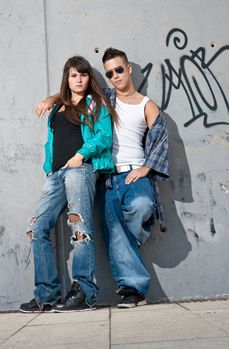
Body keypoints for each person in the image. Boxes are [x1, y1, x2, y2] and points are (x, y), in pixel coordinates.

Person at [34, 48, 169, 309]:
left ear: (129, 69)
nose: (115, 76)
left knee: (142, 208)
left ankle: (110, 275)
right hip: (107, 176)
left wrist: (147, 167)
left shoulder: (146, 104)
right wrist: (51, 99)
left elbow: (161, 141)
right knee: (114, 230)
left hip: (134, 173)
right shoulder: (105, 99)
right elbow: (72, 92)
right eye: (109, 73)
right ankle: (133, 290)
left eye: (119, 69)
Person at [19, 55, 117, 313]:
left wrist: (80, 156)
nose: (79, 79)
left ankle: (85, 292)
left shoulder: (96, 103)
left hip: (80, 170)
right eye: (73, 75)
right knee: (37, 228)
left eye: (83, 75)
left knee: (80, 228)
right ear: (67, 77)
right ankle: (46, 294)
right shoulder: (58, 107)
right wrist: (49, 167)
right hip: (56, 174)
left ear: (89, 78)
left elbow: (104, 136)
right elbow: (52, 139)